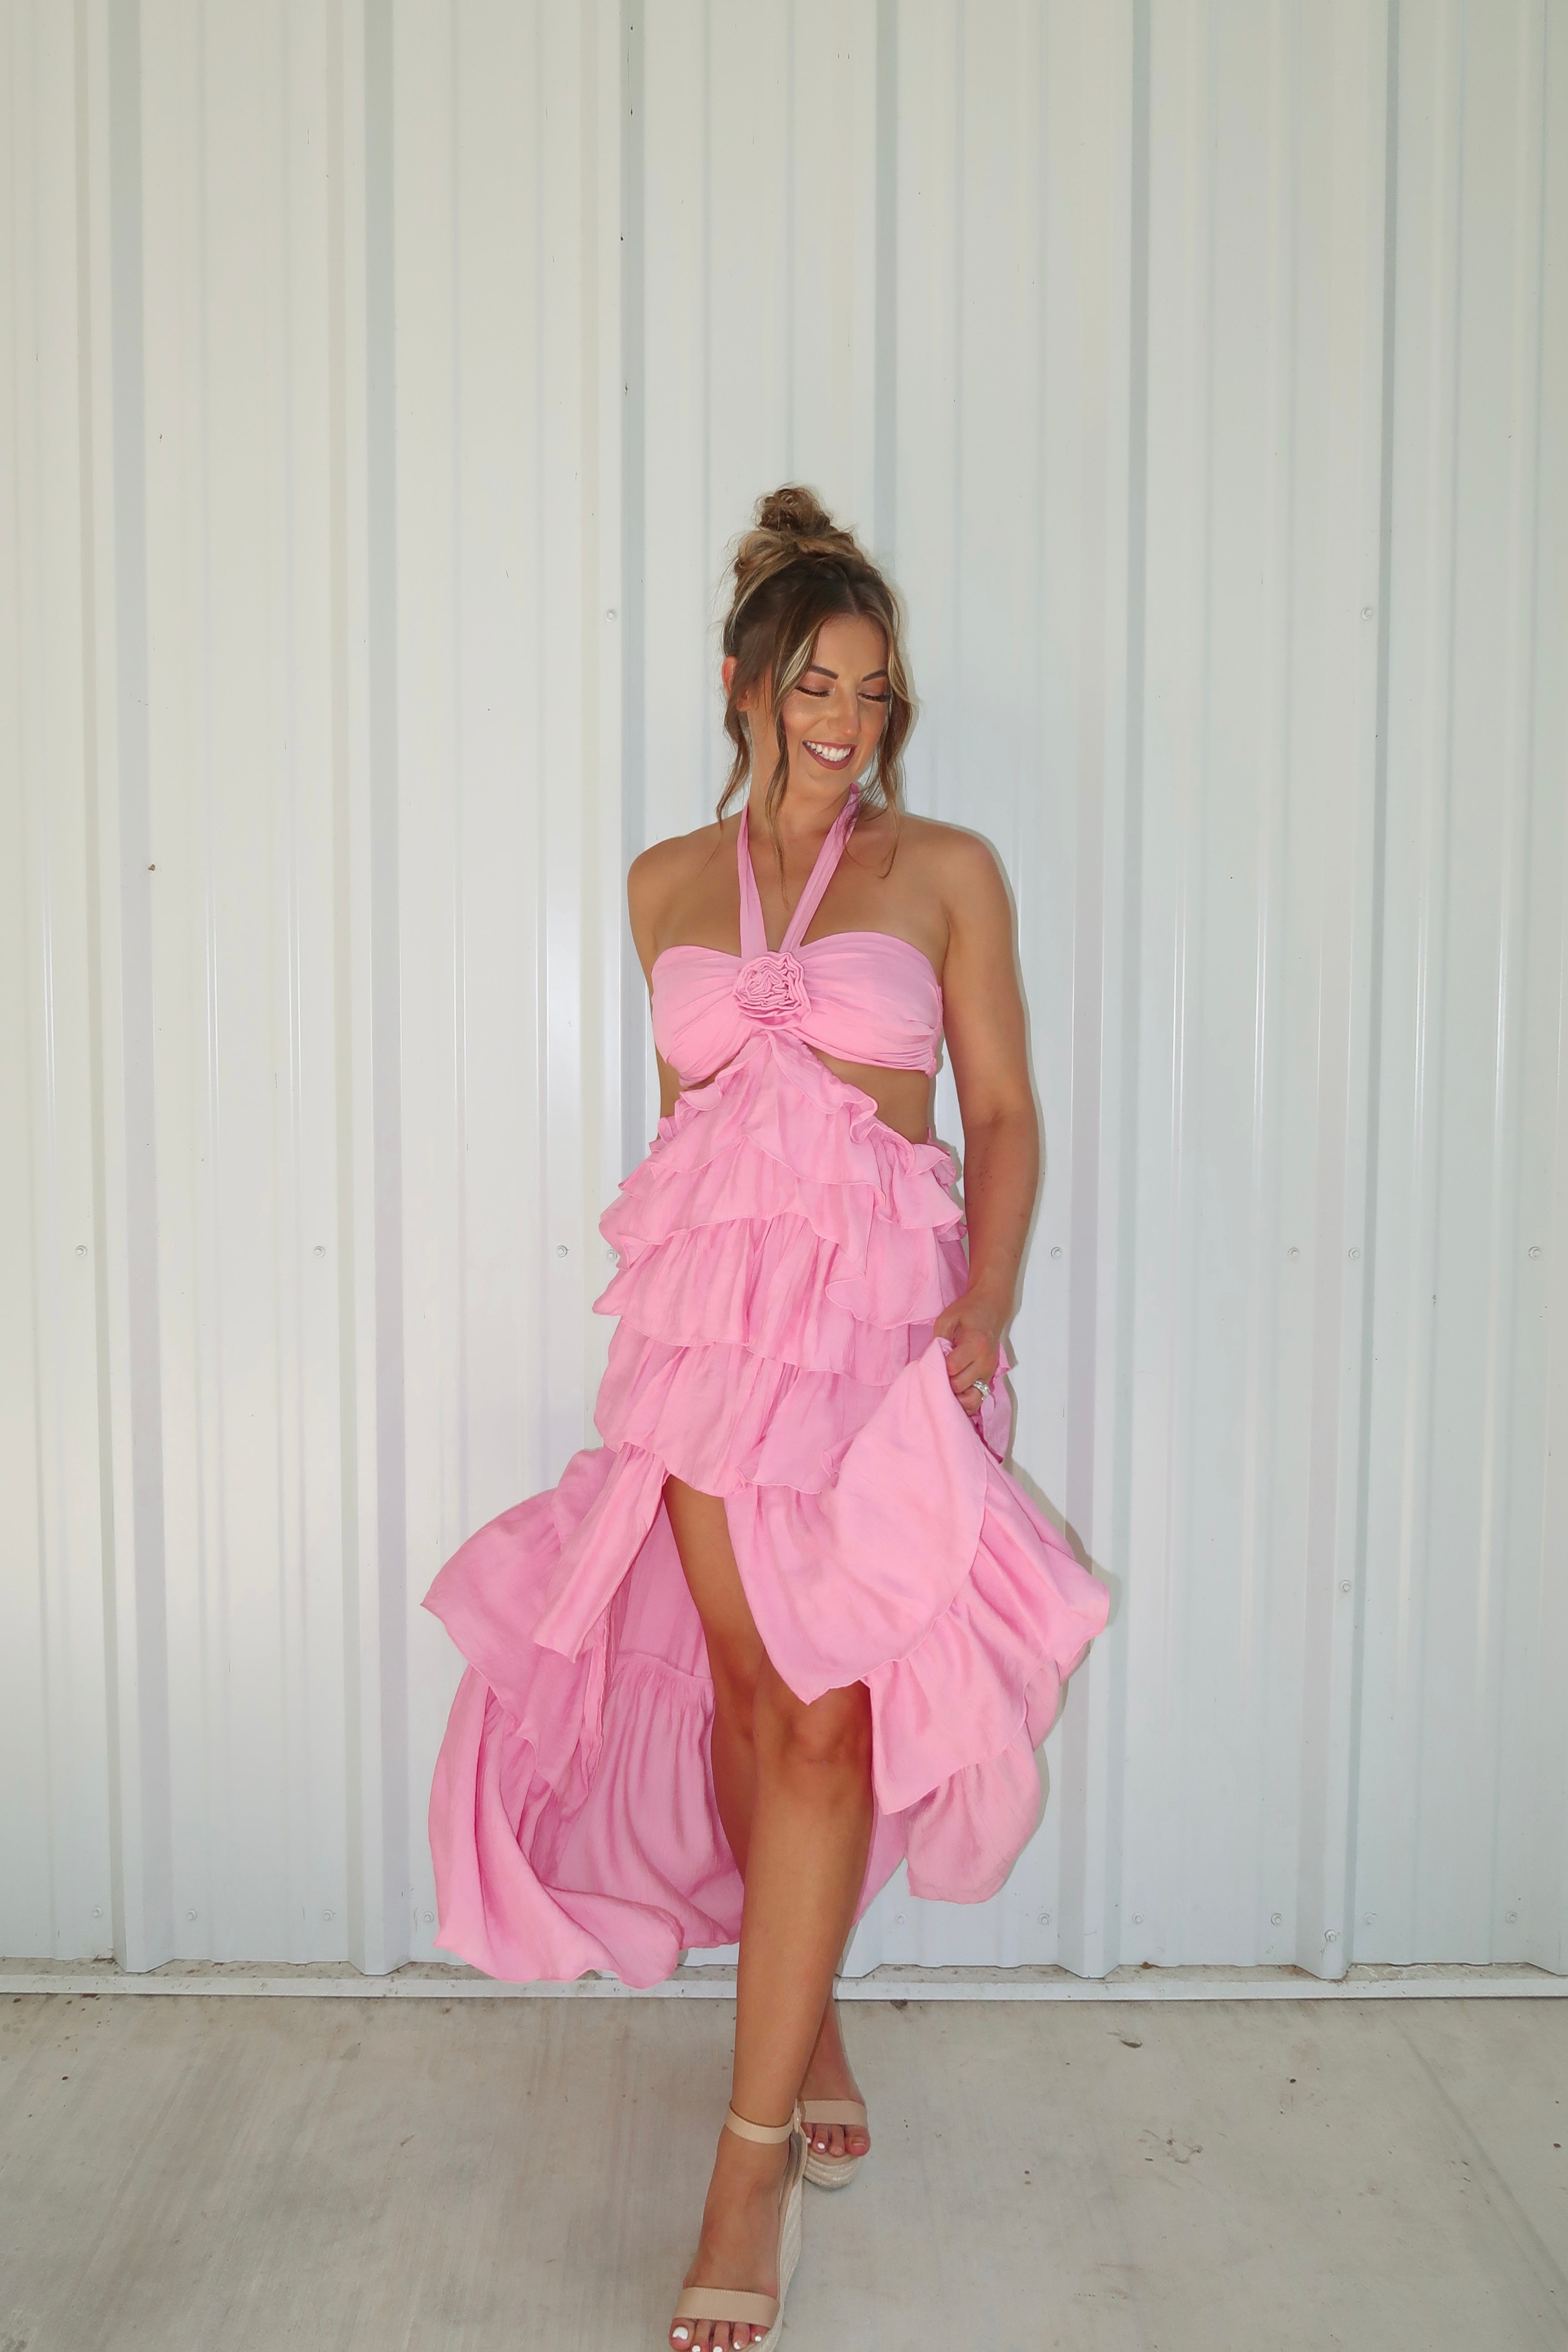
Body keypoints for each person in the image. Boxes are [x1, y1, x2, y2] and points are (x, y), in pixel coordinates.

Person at [423, 485, 1109, 2350]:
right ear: (744, 686)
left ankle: (746, 2164)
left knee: (825, 1718)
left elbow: (1004, 1111)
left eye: (874, 691)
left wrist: (985, 1300)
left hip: (882, 1338)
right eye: (816, 684)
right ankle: (797, 2025)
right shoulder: (662, 884)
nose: (847, 720)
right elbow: (692, 1132)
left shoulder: (945, 869)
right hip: (715, 1342)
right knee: (745, 1699)